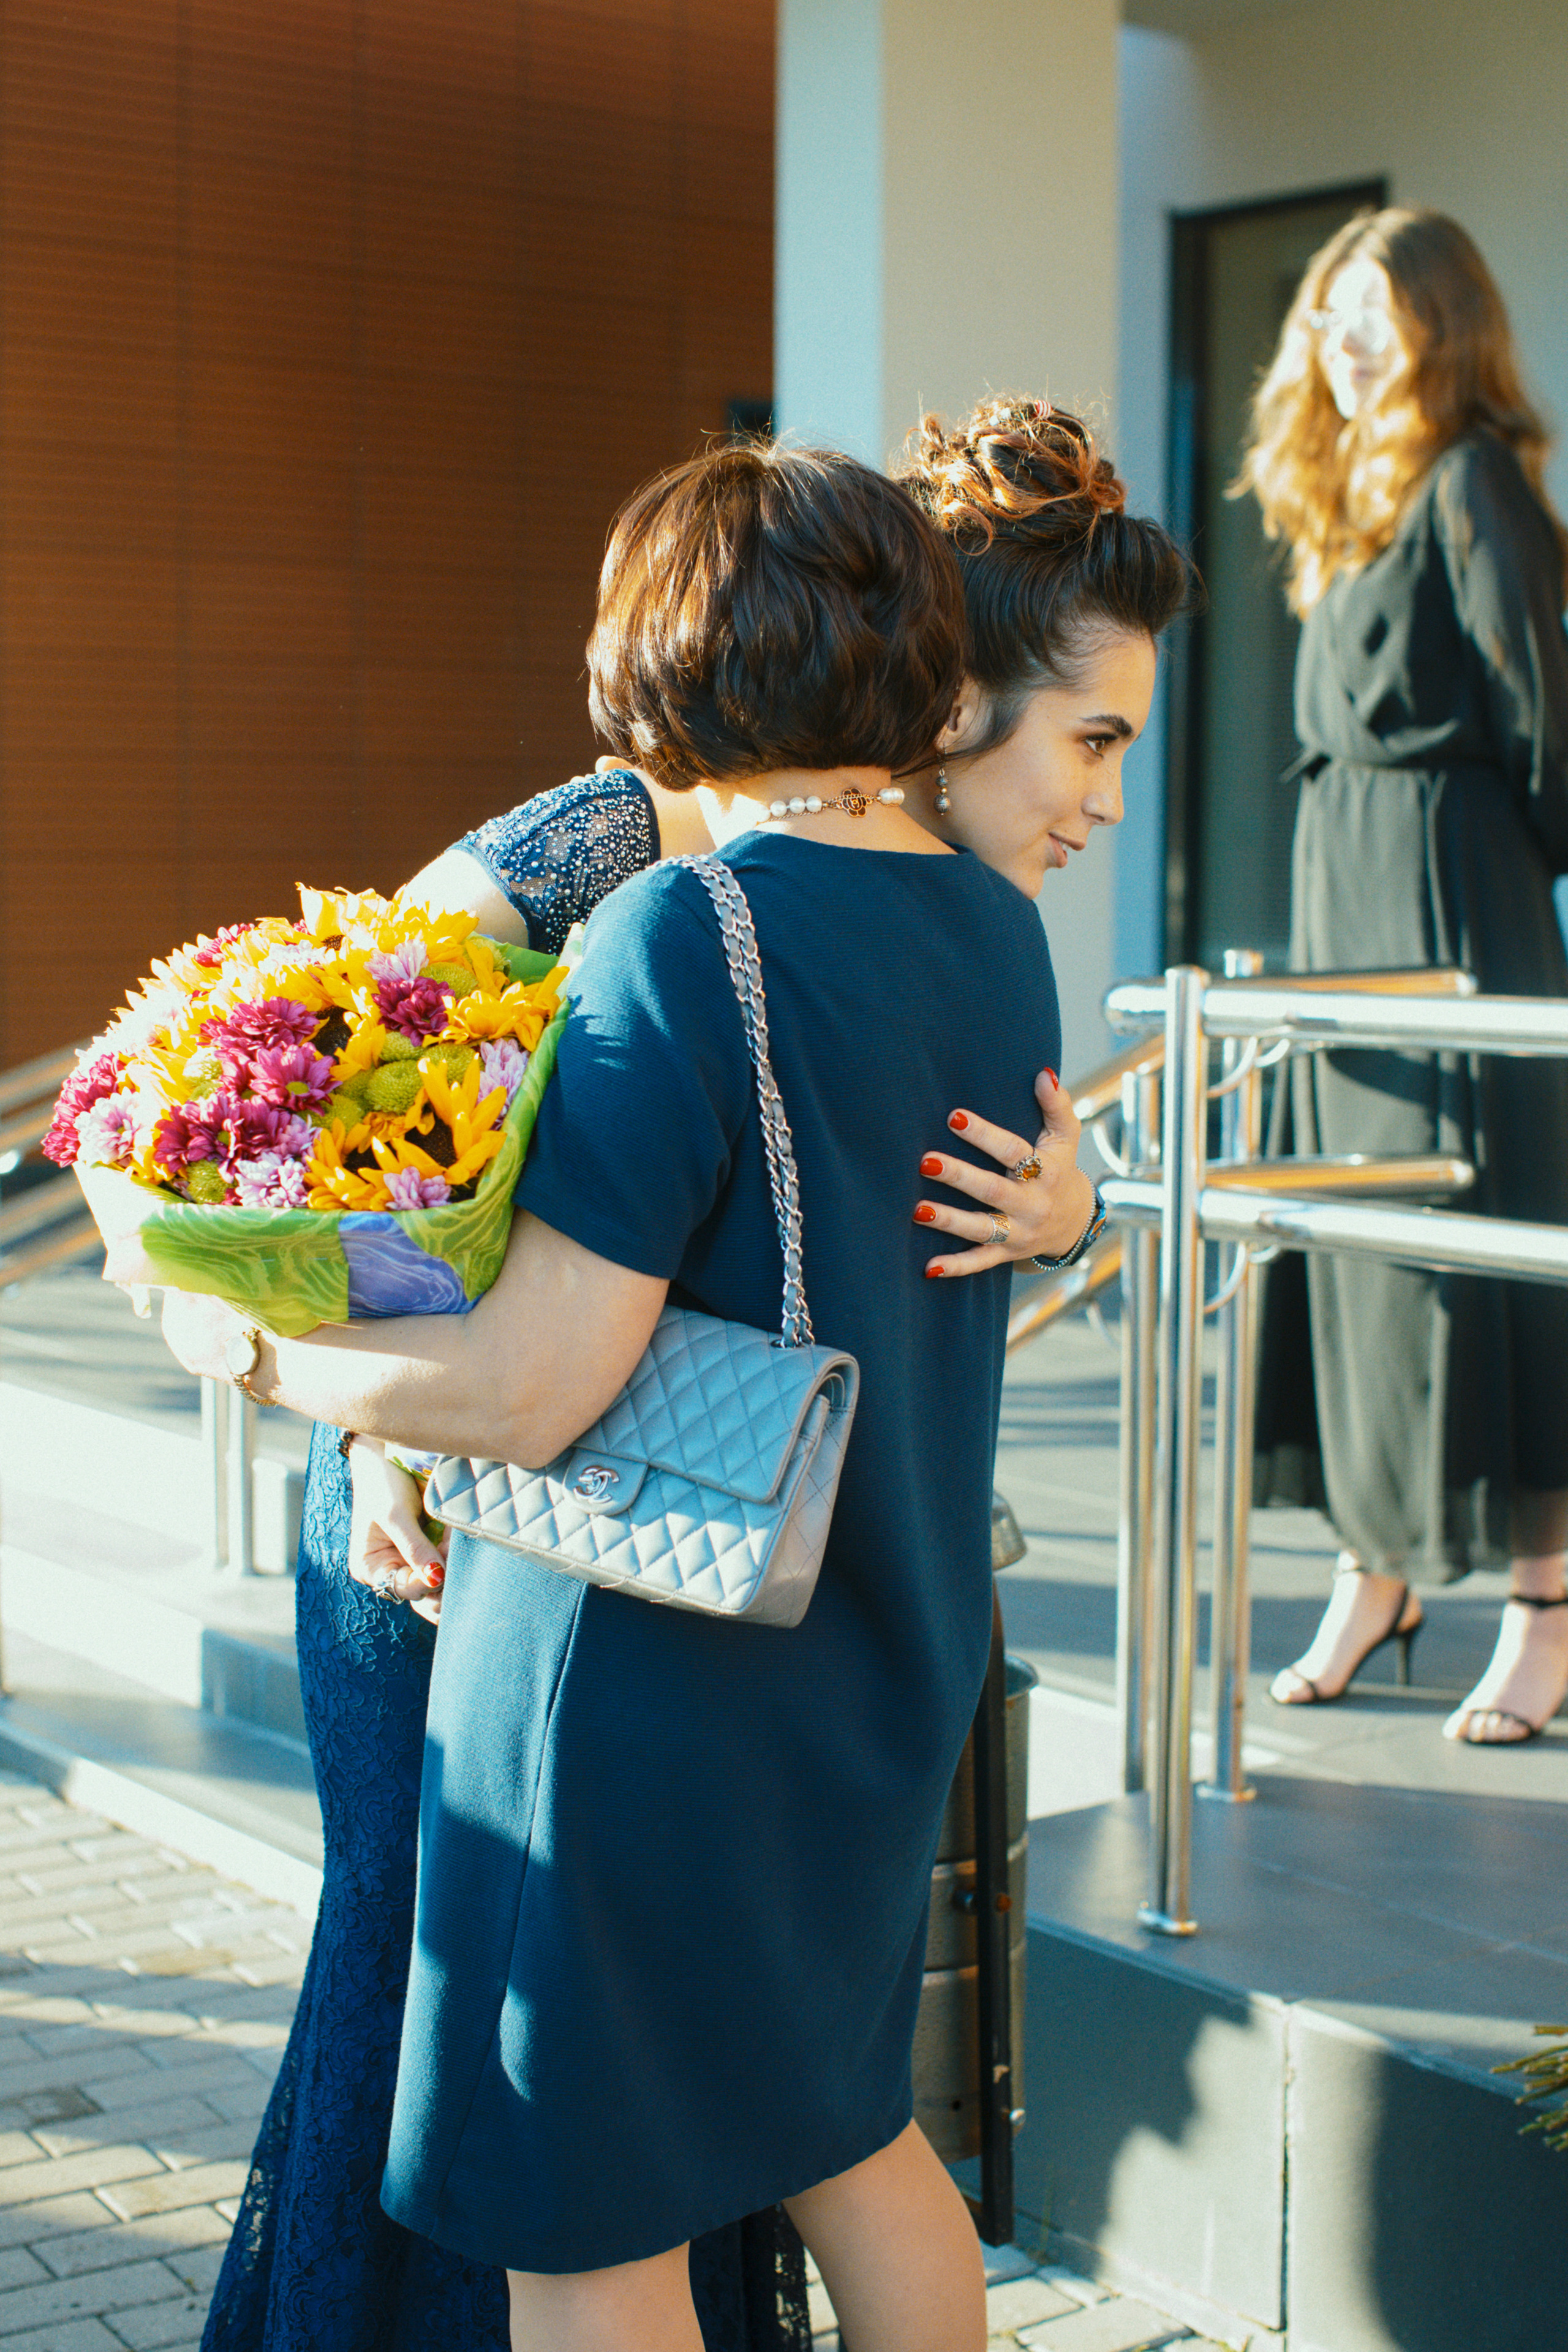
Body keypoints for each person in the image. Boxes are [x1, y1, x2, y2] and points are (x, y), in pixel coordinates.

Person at [192, 403, 1188, 2352]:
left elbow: (532, 1383)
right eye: (1095, 740)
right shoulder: (994, 937)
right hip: (876, 1653)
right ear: (926, 679)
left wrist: (258, 1344)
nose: (1101, 797)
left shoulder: (678, 923)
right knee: (852, 2143)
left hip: (644, 1674)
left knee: (585, 2223)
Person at [1235, 207, 1568, 1744]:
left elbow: (1542, 728)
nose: (1346, 342)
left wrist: (1502, 904)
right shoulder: (1344, 506)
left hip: (1451, 906)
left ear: (1444, 324)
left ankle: (1543, 1610)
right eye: (1330, 317)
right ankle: (1375, 1576)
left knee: (1480, 1256)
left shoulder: (1469, 482)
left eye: (1375, 315)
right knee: (1363, 1258)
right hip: (1343, 898)